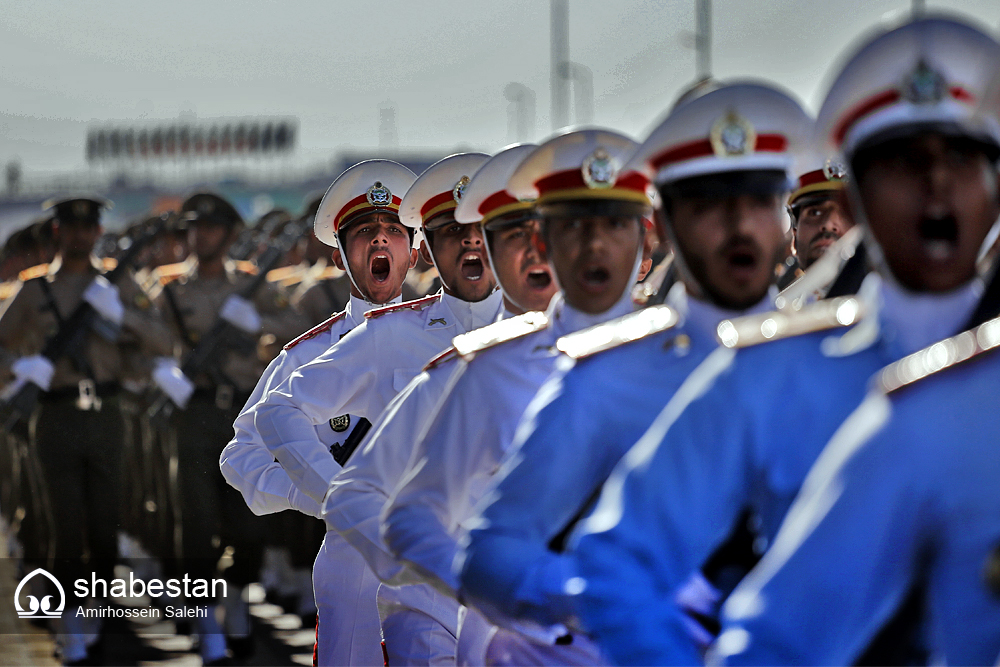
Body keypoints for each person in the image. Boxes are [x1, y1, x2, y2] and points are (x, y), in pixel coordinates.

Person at [568, 16, 1000, 665]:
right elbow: (619, 557)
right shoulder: (772, 370)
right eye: (904, 163)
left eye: (962, 158)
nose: (936, 184)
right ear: (853, 200)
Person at [458, 81, 810, 651]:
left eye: (757, 201)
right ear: (665, 227)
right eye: (709, 204)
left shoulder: (838, 363)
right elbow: (492, 555)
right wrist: (615, 597)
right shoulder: (609, 376)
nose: (738, 226)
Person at [380, 128, 658, 666]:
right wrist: (514, 590)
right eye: (574, 227)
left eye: (614, 224)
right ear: (543, 242)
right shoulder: (494, 369)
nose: (595, 245)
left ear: (645, 237)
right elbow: (412, 517)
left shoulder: (690, 359)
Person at [253, 152, 502, 665]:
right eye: (453, 232)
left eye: (482, 229)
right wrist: (338, 500)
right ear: (430, 247)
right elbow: (270, 421)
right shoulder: (388, 335)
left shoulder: (545, 330)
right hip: (404, 576)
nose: (471, 242)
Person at [220, 159, 419, 666]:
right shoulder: (307, 356)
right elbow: (240, 455)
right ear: (338, 257)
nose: (379, 242)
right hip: (353, 562)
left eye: (394, 231)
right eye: (364, 233)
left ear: (415, 250)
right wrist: (317, 495)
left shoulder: (451, 336)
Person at [0, 196, 173, 665]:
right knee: (61, 521)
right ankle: (70, 618)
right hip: (54, 416)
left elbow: (162, 339)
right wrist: (23, 369)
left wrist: (121, 316)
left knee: (103, 523)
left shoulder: (117, 283)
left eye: (88, 226)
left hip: (107, 412)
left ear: (98, 232)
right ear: (56, 232)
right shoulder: (34, 290)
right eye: (70, 227)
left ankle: (92, 603)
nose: (80, 234)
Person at [155, 191, 308, 664]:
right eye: (196, 229)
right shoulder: (169, 289)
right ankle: (206, 622)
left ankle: (238, 603)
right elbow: (141, 343)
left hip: (244, 410)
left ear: (229, 235)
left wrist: (256, 322)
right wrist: (164, 374)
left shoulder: (251, 284)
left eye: (213, 228)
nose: (203, 237)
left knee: (248, 520)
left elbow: (296, 325)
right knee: (196, 521)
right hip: (195, 413)